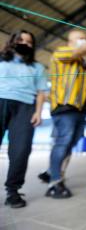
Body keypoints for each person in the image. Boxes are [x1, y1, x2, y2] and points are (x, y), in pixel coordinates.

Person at [45, 30, 86, 198]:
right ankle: (55, 181)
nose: (83, 41)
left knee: (70, 143)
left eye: (85, 39)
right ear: (70, 41)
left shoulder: (85, 66)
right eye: (79, 38)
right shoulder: (62, 52)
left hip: (80, 110)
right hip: (64, 107)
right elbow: (78, 51)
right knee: (63, 142)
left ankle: (50, 171)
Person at [0, 30, 47, 208]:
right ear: (12, 41)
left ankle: (12, 191)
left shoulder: (37, 67)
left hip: (25, 108)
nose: (24, 44)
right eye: (20, 40)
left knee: (21, 150)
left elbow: (42, 91)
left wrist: (38, 112)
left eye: (29, 42)